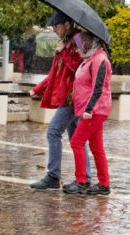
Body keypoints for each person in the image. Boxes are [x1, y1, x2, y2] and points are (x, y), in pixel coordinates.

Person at [29, 13, 92, 191]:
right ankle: (84, 177)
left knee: (53, 132)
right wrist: (38, 88)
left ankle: (53, 176)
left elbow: (80, 66)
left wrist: (63, 51)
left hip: (72, 97)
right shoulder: (64, 41)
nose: (54, 30)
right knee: (76, 138)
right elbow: (55, 72)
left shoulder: (78, 39)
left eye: (56, 26)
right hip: (67, 95)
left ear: (66, 24)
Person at [63, 31, 112, 196]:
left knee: (76, 142)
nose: (77, 50)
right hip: (92, 110)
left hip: (94, 111)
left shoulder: (99, 60)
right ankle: (104, 184)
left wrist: (89, 109)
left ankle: (81, 181)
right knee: (96, 147)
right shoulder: (90, 59)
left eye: (79, 47)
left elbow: (99, 88)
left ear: (86, 45)